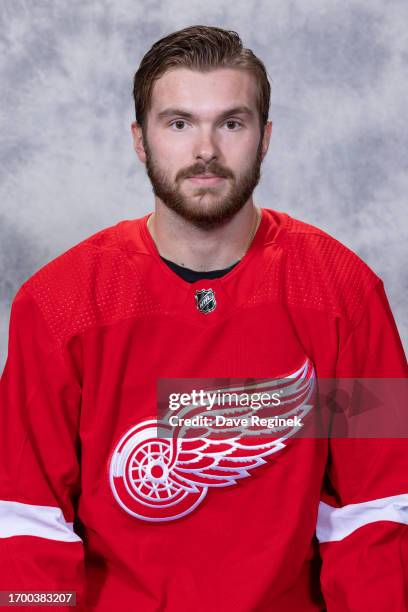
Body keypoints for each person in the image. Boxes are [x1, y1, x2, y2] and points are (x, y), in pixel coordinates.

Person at [0, 24, 407, 612]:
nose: (206, 151)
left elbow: (378, 512)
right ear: (141, 140)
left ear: (264, 138)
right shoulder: (57, 305)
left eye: (231, 123)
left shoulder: (346, 294)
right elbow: (26, 522)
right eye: (179, 122)